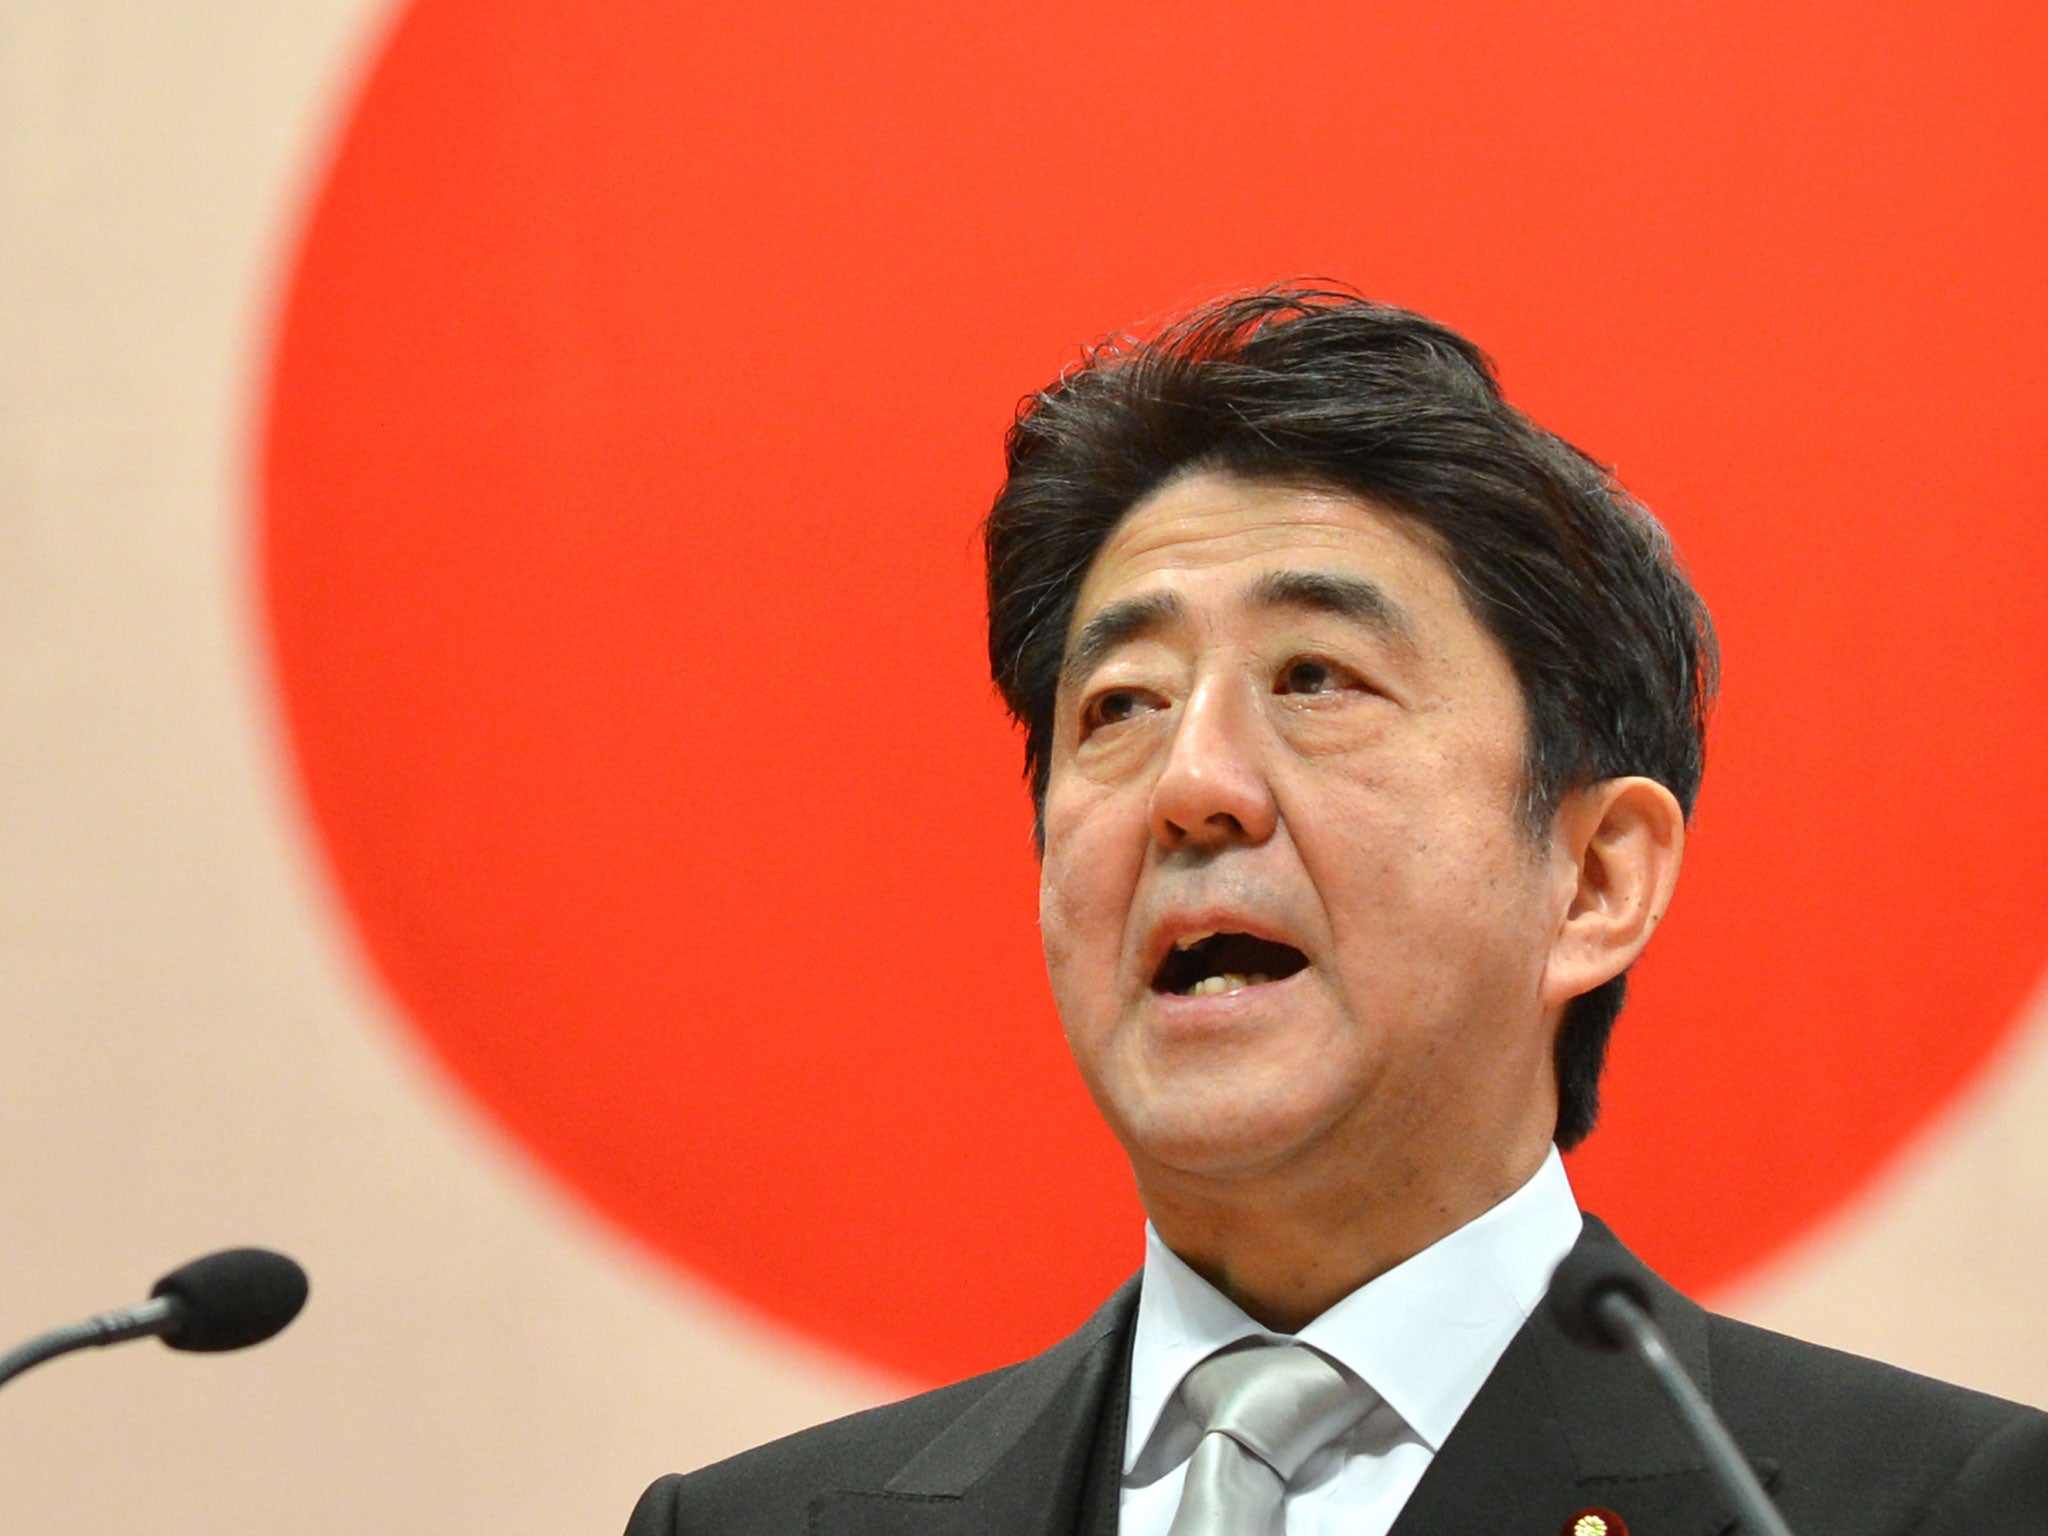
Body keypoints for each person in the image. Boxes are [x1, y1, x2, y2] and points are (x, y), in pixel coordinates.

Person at [626, 288, 2048, 1535]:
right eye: (1120, 706)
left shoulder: (1936, 1505)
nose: (1194, 785)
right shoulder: (755, 1525)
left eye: (1314, 678)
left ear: (1598, 877)